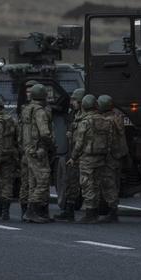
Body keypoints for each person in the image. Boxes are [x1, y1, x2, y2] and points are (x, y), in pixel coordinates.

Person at [70, 93, 117, 224]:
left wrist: (73, 157)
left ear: (84, 106)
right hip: (102, 157)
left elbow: (79, 143)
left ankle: (91, 213)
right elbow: (111, 140)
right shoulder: (105, 120)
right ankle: (104, 212)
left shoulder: (85, 122)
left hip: (87, 158)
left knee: (87, 184)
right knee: (98, 184)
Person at [20, 83, 54, 223]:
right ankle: (31, 211)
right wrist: (52, 144)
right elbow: (45, 133)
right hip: (37, 150)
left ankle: (39, 212)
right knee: (43, 180)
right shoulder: (40, 111)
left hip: (27, 148)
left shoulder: (26, 109)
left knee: (32, 181)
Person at [55, 88, 87, 222]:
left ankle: (88, 210)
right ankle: (69, 209)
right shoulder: (74, 115)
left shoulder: (85, 118)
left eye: (75, 100)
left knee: (85, 183)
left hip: (81, 154)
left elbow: (82, 137)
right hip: (73, 152)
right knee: (70, 182)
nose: (72, 102)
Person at [95, 94, 129, 223]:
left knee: (108, 182)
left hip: (110, 155)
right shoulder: (117, 116)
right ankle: (112, 209)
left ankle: (113, 210)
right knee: (113, 181)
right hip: (118, 154)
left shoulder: (107, 120)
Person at [0, 95, 20, 221]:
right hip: (9, 154)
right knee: (7, 183)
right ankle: (5, 211)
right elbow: (17, 137)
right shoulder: (11, 119)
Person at [17, 80, 38, 215]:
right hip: (28, 149)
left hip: (31, 148)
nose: (28, 93)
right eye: (27, 91)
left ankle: (31, 209)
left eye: (31, 91)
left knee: (32, 181)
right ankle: (27, 209)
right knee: (27, 181)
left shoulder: (35, 109)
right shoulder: (25, 109)